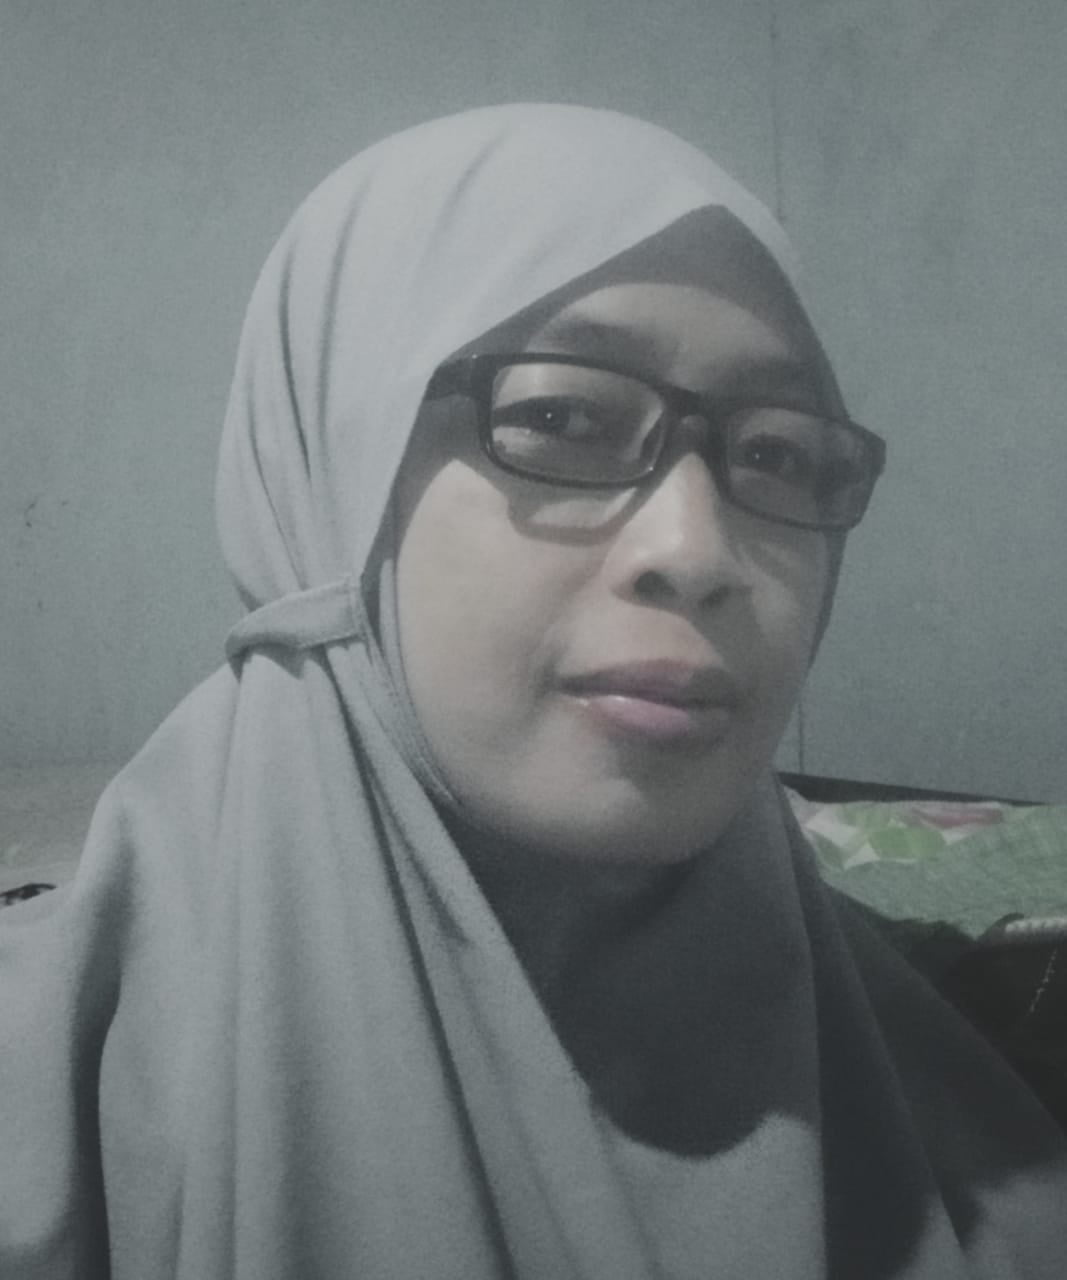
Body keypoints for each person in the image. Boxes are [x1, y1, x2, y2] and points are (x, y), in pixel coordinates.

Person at [1, 104, 1064, 1279]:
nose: (696, 549)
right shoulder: (47, 1097)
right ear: (332, 468)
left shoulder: (956, 1098)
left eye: (774, 451)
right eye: (560, 418)